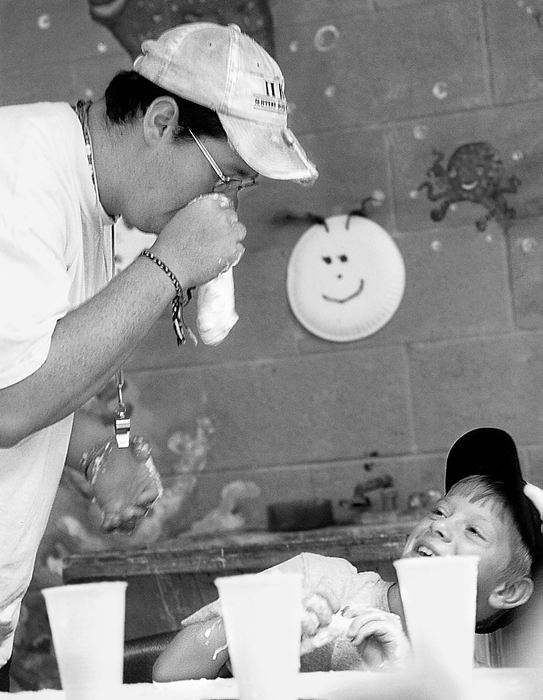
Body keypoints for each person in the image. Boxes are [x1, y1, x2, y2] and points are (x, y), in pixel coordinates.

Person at [0, 22, 318, 689]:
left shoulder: (95, 204)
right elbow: (10, 403)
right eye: (224, 176)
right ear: (161, 119)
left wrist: (90, 449)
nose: (218, 202)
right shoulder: (20, 172)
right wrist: (169, 264)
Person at [152, 427, 543, 681]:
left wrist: (404, 678)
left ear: (509, 592)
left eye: (474, 530)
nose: (440, 526)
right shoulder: (321, 581)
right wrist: (256, 620)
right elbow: (168, 674)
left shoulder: (480, 684)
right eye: (440, 511)